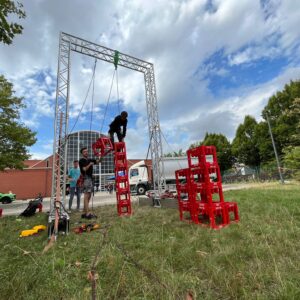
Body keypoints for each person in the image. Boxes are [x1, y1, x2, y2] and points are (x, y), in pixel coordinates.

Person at [79, 147, 100, 219]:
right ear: (82, 153)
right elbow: (84, 169)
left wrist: (100, 155)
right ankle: (87, 213)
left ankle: (85, 212)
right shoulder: (81, 160)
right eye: (84, 152)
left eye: (87, 151)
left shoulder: (90, 159)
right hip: (86, 178)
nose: (86, 152)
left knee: (89, 195)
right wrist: (90, 164)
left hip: (90, 178)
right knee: (86, 195)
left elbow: (98, 162)